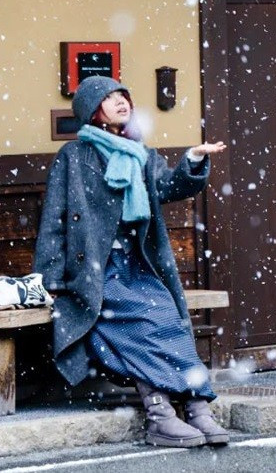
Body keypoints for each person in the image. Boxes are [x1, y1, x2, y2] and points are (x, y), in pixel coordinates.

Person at [33, 75, 228, 448]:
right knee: (144, 320)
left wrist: (193, 159)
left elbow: (168, 187)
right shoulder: (73, 158)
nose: (121, 101)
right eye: (110, 97)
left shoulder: (140, 154)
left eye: (124, 95)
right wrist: (50, 282)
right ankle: (160, 414)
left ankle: (198, 407)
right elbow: (54, 221)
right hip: (96, 271)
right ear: (93, 110)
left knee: (168, 317)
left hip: (138, 265)